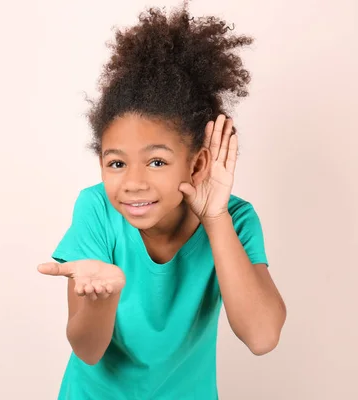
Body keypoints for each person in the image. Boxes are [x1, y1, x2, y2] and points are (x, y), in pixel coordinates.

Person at [36, 3, 287, 399]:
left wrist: (215, 218)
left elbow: (262, 337)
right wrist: (102, 300)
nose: (133, 183)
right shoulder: (97, 209)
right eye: (116, 162)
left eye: (157, 161)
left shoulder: (236, 219)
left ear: (197, 162)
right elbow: (87, 350)